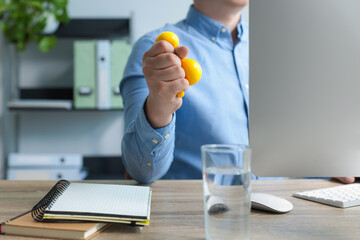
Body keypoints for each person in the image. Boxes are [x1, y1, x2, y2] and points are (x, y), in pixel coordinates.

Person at [120, 0, 355, 184]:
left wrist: (324, 165)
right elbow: (142, 170)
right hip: (199, 219)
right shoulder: (155, 52)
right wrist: (159, 107)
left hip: (280, 216)